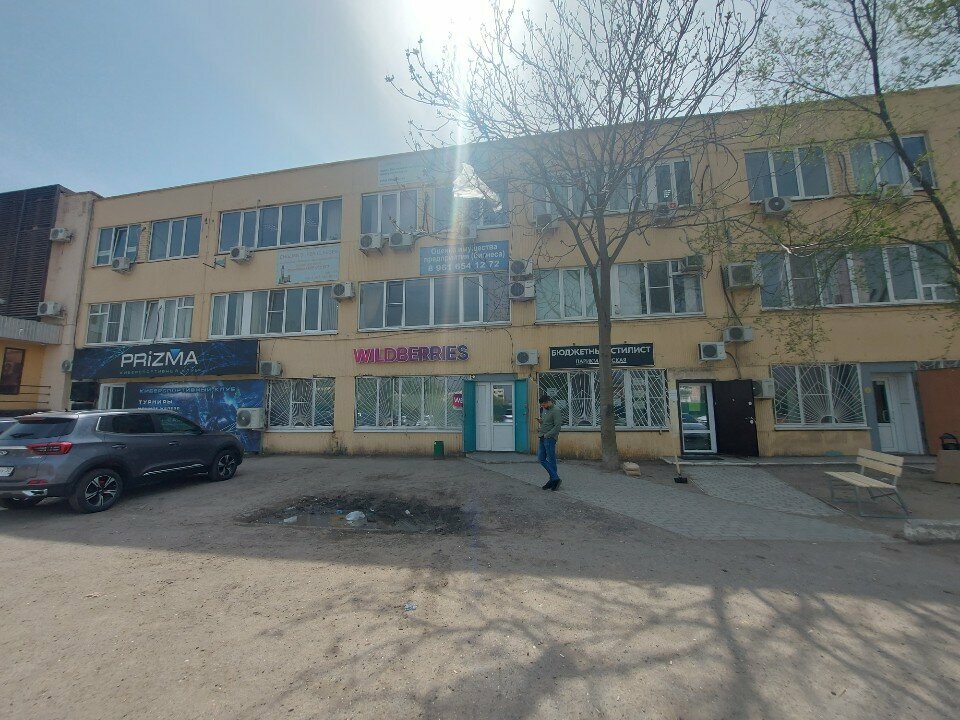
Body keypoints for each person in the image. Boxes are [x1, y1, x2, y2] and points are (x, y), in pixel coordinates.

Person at [537, 394, 563, 490]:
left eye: (543, 404)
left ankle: (553, 480)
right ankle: (555, 478)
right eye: (541, 405)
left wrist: (547, 435)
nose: (542, 406)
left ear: (548, 402)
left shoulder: (556, 411)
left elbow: (557, 426)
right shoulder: (545, 410)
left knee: (551, 460)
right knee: (541, 458)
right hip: (542, 437)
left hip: (550, 438)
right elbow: (547, 422)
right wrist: (541, 422)